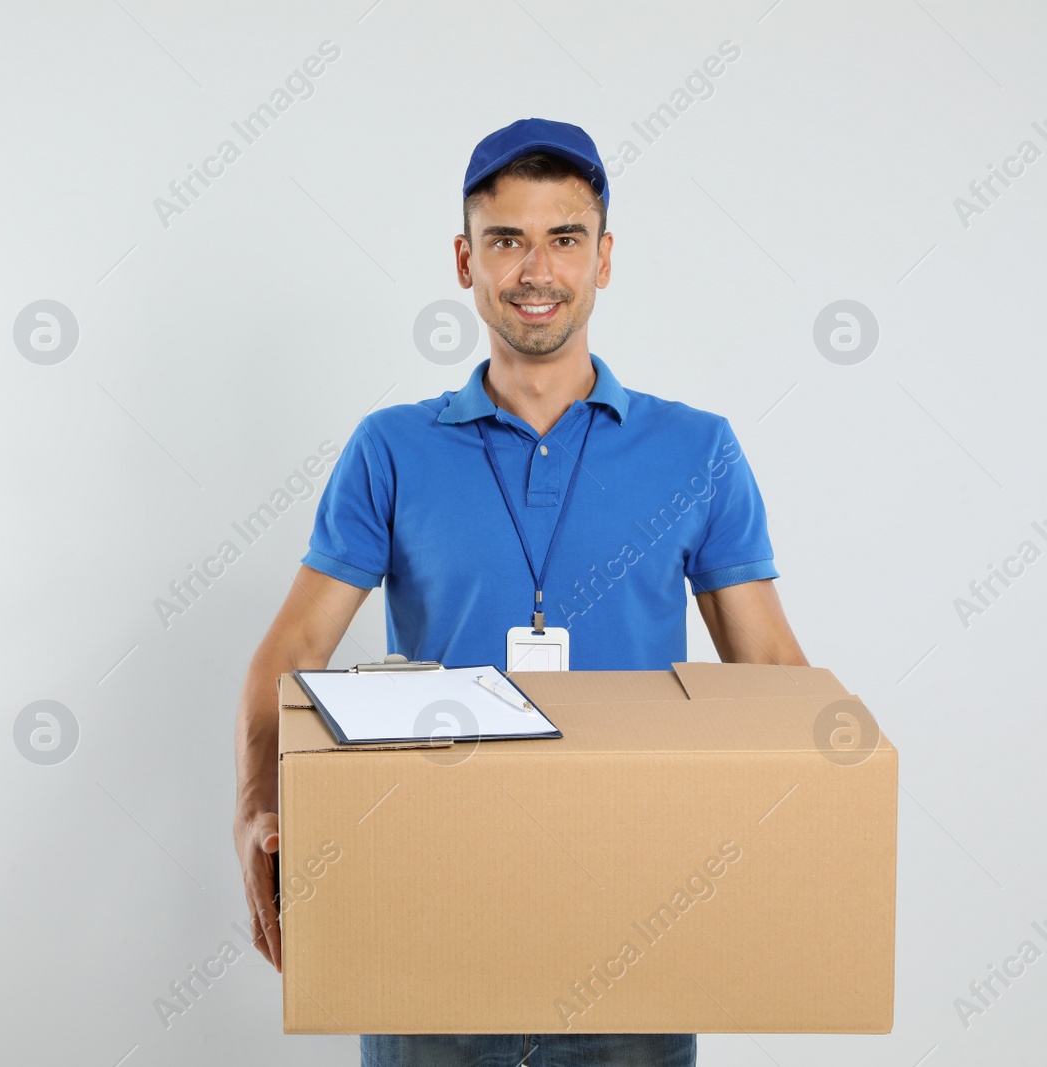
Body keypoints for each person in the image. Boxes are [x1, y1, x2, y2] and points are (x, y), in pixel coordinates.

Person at [230, 117, 808, 1066]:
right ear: (465, 260)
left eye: (564, 238)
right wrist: (257, 802)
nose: (535, 270)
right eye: (507, 240)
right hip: (429, 934)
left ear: (604, 259)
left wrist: (821, 825)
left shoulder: (698, 449)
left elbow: (773, 666)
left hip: (637, 937)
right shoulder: (391, 447)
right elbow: (292, 651)